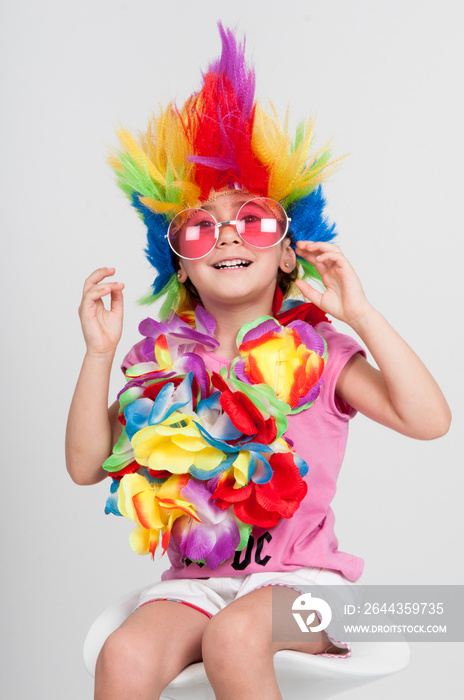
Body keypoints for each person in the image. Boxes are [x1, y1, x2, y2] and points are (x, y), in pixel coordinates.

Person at [65, 25, 451, 700]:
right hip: (197, 586)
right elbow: (84, 466)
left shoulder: (324, 351)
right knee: (124, 652)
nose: (228, 237)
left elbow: (430, 420)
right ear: (179, 266)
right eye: (200, 227)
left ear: (289, 252)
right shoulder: (161, 363)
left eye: (254, 221)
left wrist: (358, 314)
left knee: (237, 636)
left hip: (315, 595)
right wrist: (100, 355)